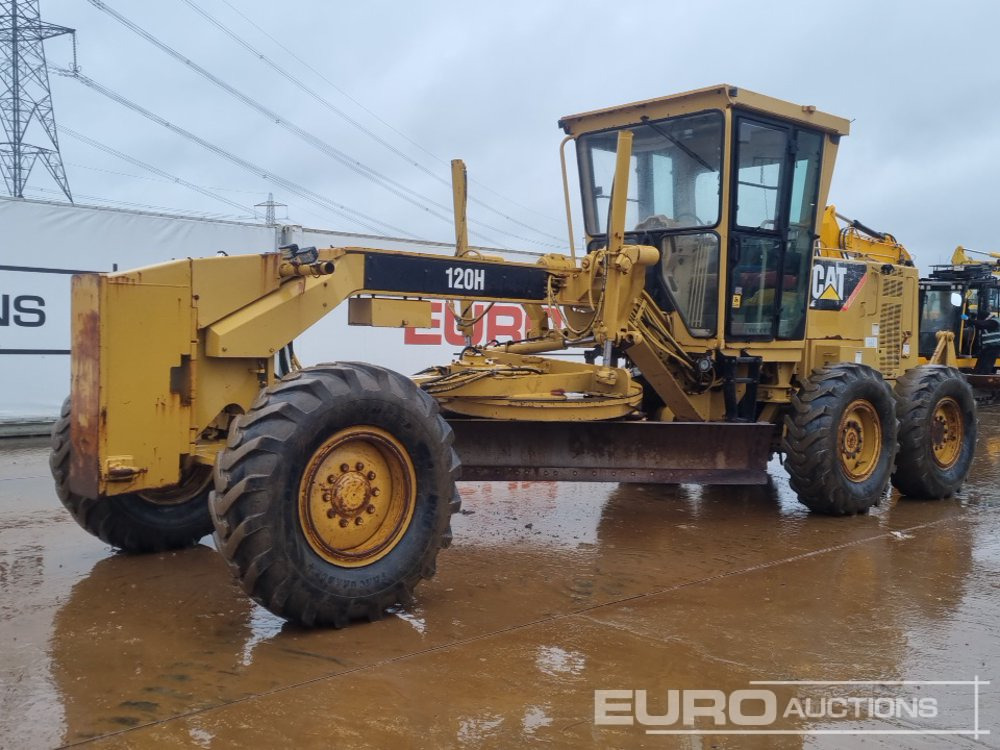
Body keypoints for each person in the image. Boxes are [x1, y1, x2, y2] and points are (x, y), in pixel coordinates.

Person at [971, 309, 1000, 374]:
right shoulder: (990, 321)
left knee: (985, 367)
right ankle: (976, 377)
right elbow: (979, 324)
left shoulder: (994, 321)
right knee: (979, 367)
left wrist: (969, 320)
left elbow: (982, 324)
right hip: (987, 348)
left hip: (994, 348)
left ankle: (982, 380)